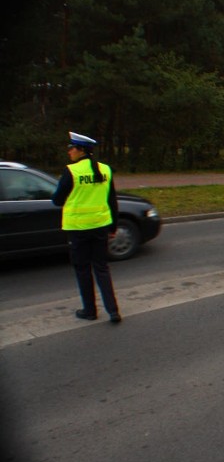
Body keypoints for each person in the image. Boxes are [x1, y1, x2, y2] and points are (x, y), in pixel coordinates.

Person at [52, 131, 122, 323]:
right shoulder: (106, 170)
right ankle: (113, 310)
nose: (69, 152)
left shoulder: (71, 171)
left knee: (83, 269)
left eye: (70, 148)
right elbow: (112, 201)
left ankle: (90, 311)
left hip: (78, 228)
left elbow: (57, 200)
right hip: (100, 225)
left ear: (80, 150)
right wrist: (113, 228)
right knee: (102, 268)